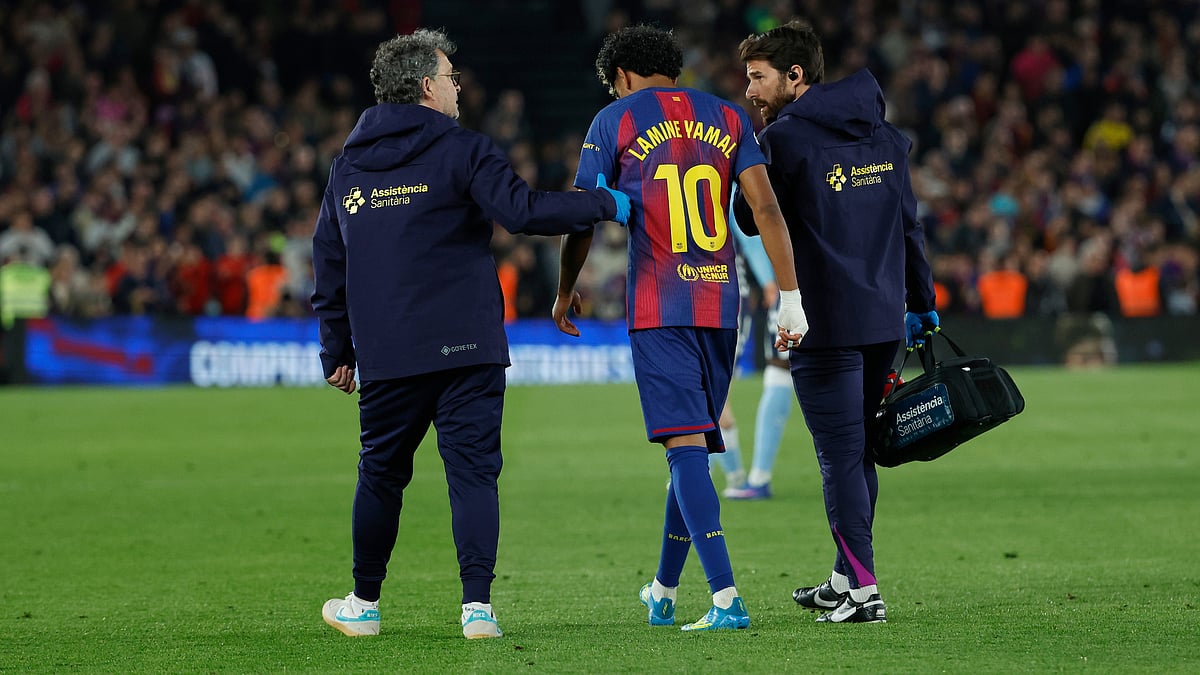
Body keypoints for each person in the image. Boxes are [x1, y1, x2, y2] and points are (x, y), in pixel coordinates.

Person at [311, 28, 630, 640]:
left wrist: (337, 349)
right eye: (450, 77)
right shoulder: (464, 149)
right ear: (426, 87)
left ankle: (364, 604)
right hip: (468, 345)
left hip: (390, 350)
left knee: (380, 475)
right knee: (474, 475)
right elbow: (523, 212)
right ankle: (477, 609)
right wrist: (605, 204)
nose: (458, 87)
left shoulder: (347, 166)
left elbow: (330, 263)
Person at [553, 25, 807, 632]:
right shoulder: (728, 116)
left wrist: (565, 290)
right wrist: (790, 294)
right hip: (721, 303)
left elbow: (584, 213)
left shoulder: (613, 120)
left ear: (622, 76)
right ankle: (663, 591)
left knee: (685, 445)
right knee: (688, 445)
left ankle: (725, 597)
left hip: (659, 304)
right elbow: (765, 208)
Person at [734, 19, 939, 623]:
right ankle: (845, 576)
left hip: (822, 323)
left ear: (795, 75)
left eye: (759, 77)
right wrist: (922, 302)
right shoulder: (885, 136)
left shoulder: (783, 141)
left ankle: (864, 592)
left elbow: (749, 219)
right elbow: (909, 226)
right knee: (860, 455)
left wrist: (744, 162)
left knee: (841, 459)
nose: (750, 90)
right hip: (884, 321)